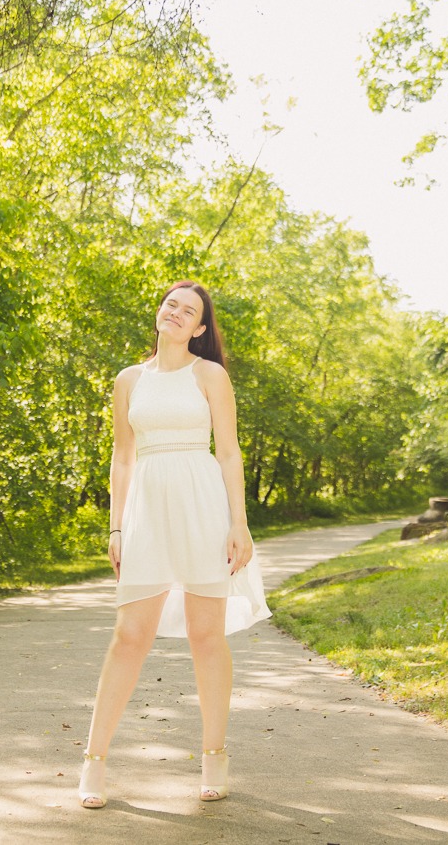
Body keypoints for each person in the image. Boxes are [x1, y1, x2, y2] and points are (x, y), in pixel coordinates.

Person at [77, 280, 272, 809]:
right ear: (159, 312)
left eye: (189, 311)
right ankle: (94, 761)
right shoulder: (128, 379)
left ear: (201, 328)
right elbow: (122, 458)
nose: (177, 314)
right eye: (171, 304)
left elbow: (229, 453)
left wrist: (240, 524)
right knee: (129, 635)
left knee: (205, 635)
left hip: (203, 503)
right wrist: (116, 528)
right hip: (147, 511)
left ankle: (214, 754)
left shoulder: (210, 375)